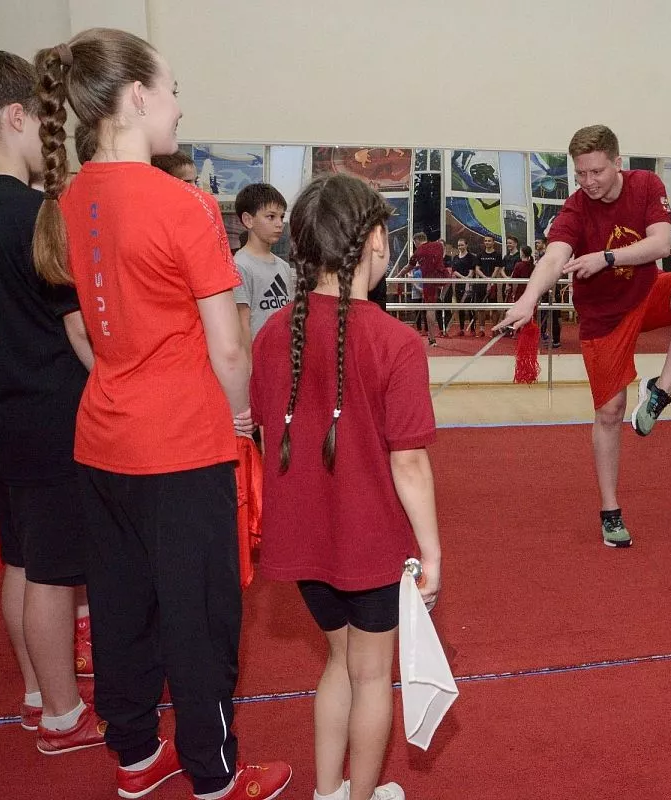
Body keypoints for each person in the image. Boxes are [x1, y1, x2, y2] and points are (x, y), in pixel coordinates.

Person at [33, 28, 291, 799]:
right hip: (181, 443)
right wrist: (241, 421)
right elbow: (229, 347)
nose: (180, 106)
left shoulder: (69, 198)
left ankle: (138, 756)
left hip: (103, 438)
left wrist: (126, 380)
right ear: (138, 97)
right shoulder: (183, 202)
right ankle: (215, 776)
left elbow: (85, 323)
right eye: (173, 89)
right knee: (201, 614)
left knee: (120, 607)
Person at [250, 173, 440, 800]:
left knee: (338, 662)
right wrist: (432, 553)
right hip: (368, 545)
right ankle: (358, 796)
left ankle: (328, 789)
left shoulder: (273, 335)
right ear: (376, 242)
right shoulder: (397, 342)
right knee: (370, 674)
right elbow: (408, 463)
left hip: (304, 542)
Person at [499, 124, 671, 548]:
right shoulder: (577, 208)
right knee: (610, 411)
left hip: (645, 294)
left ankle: (661, 390)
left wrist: (604, 257)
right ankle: (610, 509)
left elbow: (662, 244)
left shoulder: (646, 184)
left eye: (596, 172)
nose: (588, 182)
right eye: (580, 174)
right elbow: (554, 257)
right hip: (602, 317)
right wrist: (527, 300)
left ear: (618, 163)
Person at [0, 48, 100, 754]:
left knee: (21, 561)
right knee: (54, 569)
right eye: (44, 123)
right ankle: (63, 714)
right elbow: (79, 328)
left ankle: (37, 692)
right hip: (47, 406)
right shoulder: (38, 215)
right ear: (16, 115)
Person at [234, 183, 292, 356]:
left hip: (283, 357)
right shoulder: (239, 265)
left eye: (281, 217)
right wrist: (249, 367)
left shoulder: (283, 266)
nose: (279, 224)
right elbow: (242, 323)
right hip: (258, 358)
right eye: (271, 217)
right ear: (248, 220)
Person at [407, 231, 447, 343]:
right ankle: (442, 294)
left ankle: (432, 338)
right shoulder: (438, 245)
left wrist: (399, 275)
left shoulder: (418, 252)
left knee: (430, 309)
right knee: (450, 277)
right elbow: (442, 247)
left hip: (428, 280)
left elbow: (409, 266)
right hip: (441, 276)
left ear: (417, 241)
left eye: (414, 243)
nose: (415, 245)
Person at [535, 236, 563, 347]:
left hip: (552, 289)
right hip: (546, 288)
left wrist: (552, 292)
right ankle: (554, 338)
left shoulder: (550, 256)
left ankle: (557, 340)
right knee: (549, 315)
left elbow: (554, 275)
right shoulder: (541, 256)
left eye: (538, 242)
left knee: (555, 316)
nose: (536, 245)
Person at [475, 234, 502, 336]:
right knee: (481, 307)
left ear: (493, 242)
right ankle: (481, 330)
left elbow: (497, 268)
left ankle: (494, 329)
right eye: (485, 241)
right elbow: (477, 269)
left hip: (493, 284)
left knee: (493, 307)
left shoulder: (497, 255)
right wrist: (485, 279)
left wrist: (490, 280)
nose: (487, 242)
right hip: (481, 284)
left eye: (489, 241)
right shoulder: (480, 255)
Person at [451, 237, 476, 336]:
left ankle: (472, 329)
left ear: (466, 245)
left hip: (469, 284)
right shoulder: (456, 257)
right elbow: (454, 270)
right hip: (459, 284)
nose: (460, 247)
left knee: (469, 307)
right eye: (458, 245)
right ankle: (461, 328)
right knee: (460, 307)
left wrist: (467, 278)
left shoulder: (471, 257)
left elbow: (472, 270)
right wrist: (462, 277)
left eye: (462, 245)